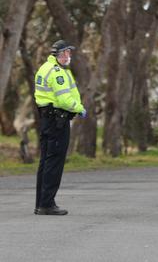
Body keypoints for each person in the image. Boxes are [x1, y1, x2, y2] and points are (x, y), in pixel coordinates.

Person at [33, 40, 86, 215]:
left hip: (48, 120)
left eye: (69, 53)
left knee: (46, 161)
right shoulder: (57, 73)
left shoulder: (44, 68)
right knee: (54, 162)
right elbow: (64, 99)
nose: (68, 56)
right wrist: (79, 108)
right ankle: (47, 204)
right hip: (57, 122)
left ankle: (41, 203)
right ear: (59, 54)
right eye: (66, 53)